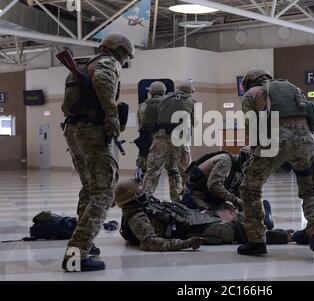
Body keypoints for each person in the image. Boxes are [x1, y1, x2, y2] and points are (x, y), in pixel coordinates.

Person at [236, 67, 314, 260]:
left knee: (250, 189)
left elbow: (251, 127)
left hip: (274, 140)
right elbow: (311, 117)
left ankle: (256, 241)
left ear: (249, 82)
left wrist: (256, 152)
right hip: (306, 141)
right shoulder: (293, 88)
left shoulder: (252, 94)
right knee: (311, 190)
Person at [61, 33, 135, 272]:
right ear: (120, 51)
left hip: (73, 130)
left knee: (90, 188)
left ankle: (86, 243)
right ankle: (77, 254)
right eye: (125, 56)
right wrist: (112, 116)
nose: (124, 61)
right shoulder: (107, 63)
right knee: (104, 192)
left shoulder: (84, 64)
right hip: (92, 130)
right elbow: (103, 80)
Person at [114, 179, 292, 250]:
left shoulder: (143, 207)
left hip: (193, 217)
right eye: (139, 193)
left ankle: (265, 222)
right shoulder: (137, 218)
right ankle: (291, 236)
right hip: (193, 229)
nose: (144, 193)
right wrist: (185, 244)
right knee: (237, 230)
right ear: (132, 198)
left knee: (230, 213)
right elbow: (150, 243)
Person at [180, 147, 275, 231]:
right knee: (219, 220)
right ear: (246, 160)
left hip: (210, 201)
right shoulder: (225, 161)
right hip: (195, 200)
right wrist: (236, 200)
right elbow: (214, 186)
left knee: (231, 214)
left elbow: (238, 192)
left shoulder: (238, 171)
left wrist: (245, 205)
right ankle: (261, 218)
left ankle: (261, 216)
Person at [142, 79, 196, 201]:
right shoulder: (191, 101)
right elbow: (195, 122)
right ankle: (183, 200)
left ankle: (144, 199)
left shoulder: (164, 99)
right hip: (179, 139)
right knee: (184, 171)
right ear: (191, 90)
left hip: (160, 138)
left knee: (152, 171)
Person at [135, 81, 167, 172]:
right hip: (163, 140)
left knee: (146, 170)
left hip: (146, 140)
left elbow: (140, 124)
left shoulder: (142, 106)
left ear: (150, 92)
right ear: (163, 92)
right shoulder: (167, 105)